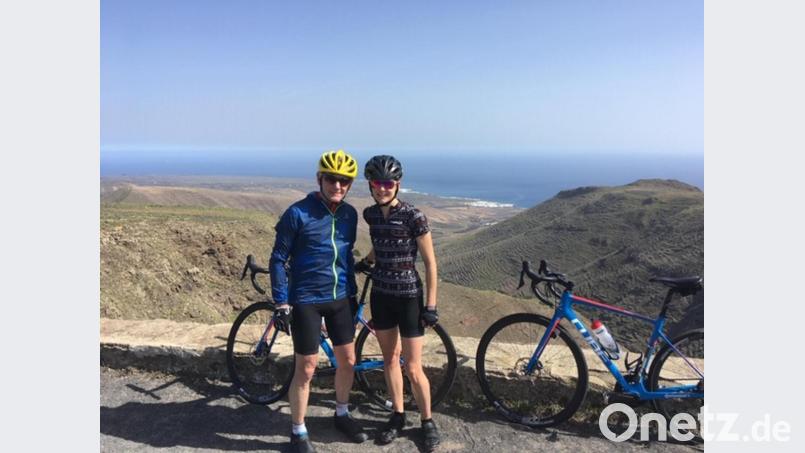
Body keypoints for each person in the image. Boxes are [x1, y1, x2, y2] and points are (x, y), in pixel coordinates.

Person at [269, 149, 368, 453]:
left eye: (345, 181)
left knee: (348, 362)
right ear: (319, 179)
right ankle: (298, 430)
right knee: (307, 367)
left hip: (341, 298)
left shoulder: (350, 214)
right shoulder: (297, 213)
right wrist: (281, 303)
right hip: (307, 299)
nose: (338, 186)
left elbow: (345, 255)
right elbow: (277, 259)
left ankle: (341, 412)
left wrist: (353, 285)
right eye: (332, 179)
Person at [356, 155, 441, 450]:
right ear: (370, 185)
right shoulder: (370, 215)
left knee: (413, 367)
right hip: (381, 296)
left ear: (397, 184)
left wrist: (430, 305)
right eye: (377, 183)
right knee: (390, 360)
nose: (382, 188)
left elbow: (430, 264)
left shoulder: (414, 217)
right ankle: (397, 415)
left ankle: (427, 421)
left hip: (408, 298)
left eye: (387, 183)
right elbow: (379, 244)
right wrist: (365, 261)